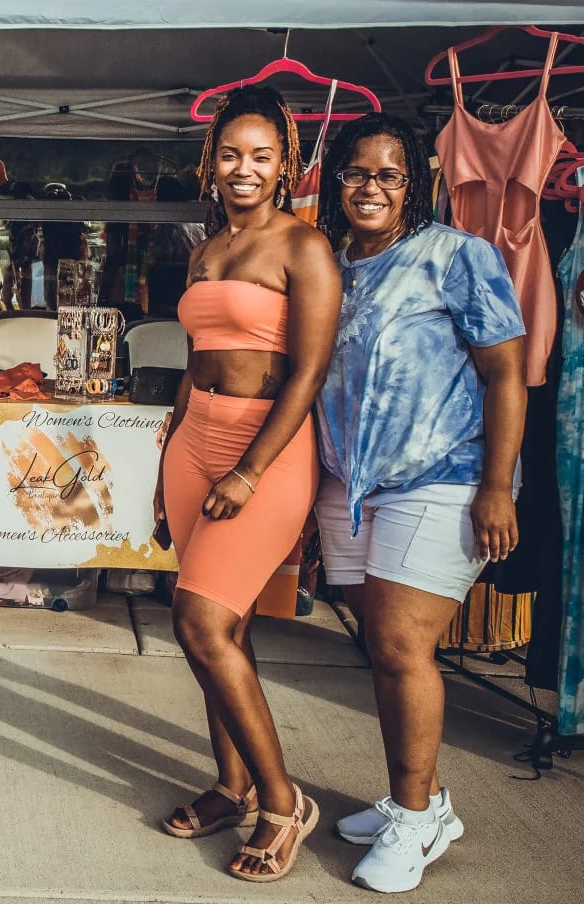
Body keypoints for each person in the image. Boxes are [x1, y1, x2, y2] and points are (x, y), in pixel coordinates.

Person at [313, 114, 525, 893]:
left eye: (389, 173)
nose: (370, 186)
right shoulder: (330, 264)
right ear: (336, 181)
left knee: (403, 645)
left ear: (416, 183)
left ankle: (413, 822)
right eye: (356, 172)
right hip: (350, 484)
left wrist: (496, 484)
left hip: (444, 475)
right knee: (383, 647)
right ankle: (425, 800)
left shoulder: (458, 256)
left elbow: (506, 374)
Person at [154, 83, 340, 883]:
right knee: (226, 631)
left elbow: (309, 373)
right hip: (193, 439)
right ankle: (231, 786)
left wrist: (249, 468)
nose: (244, 168)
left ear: (284, 164)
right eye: (230, 153)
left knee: (198, 622)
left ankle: (282, 802)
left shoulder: (304, 246)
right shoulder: (206, 248)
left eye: (261, 156)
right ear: (211, 159)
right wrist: (169, 456)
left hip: (264, 447)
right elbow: (194, 360)